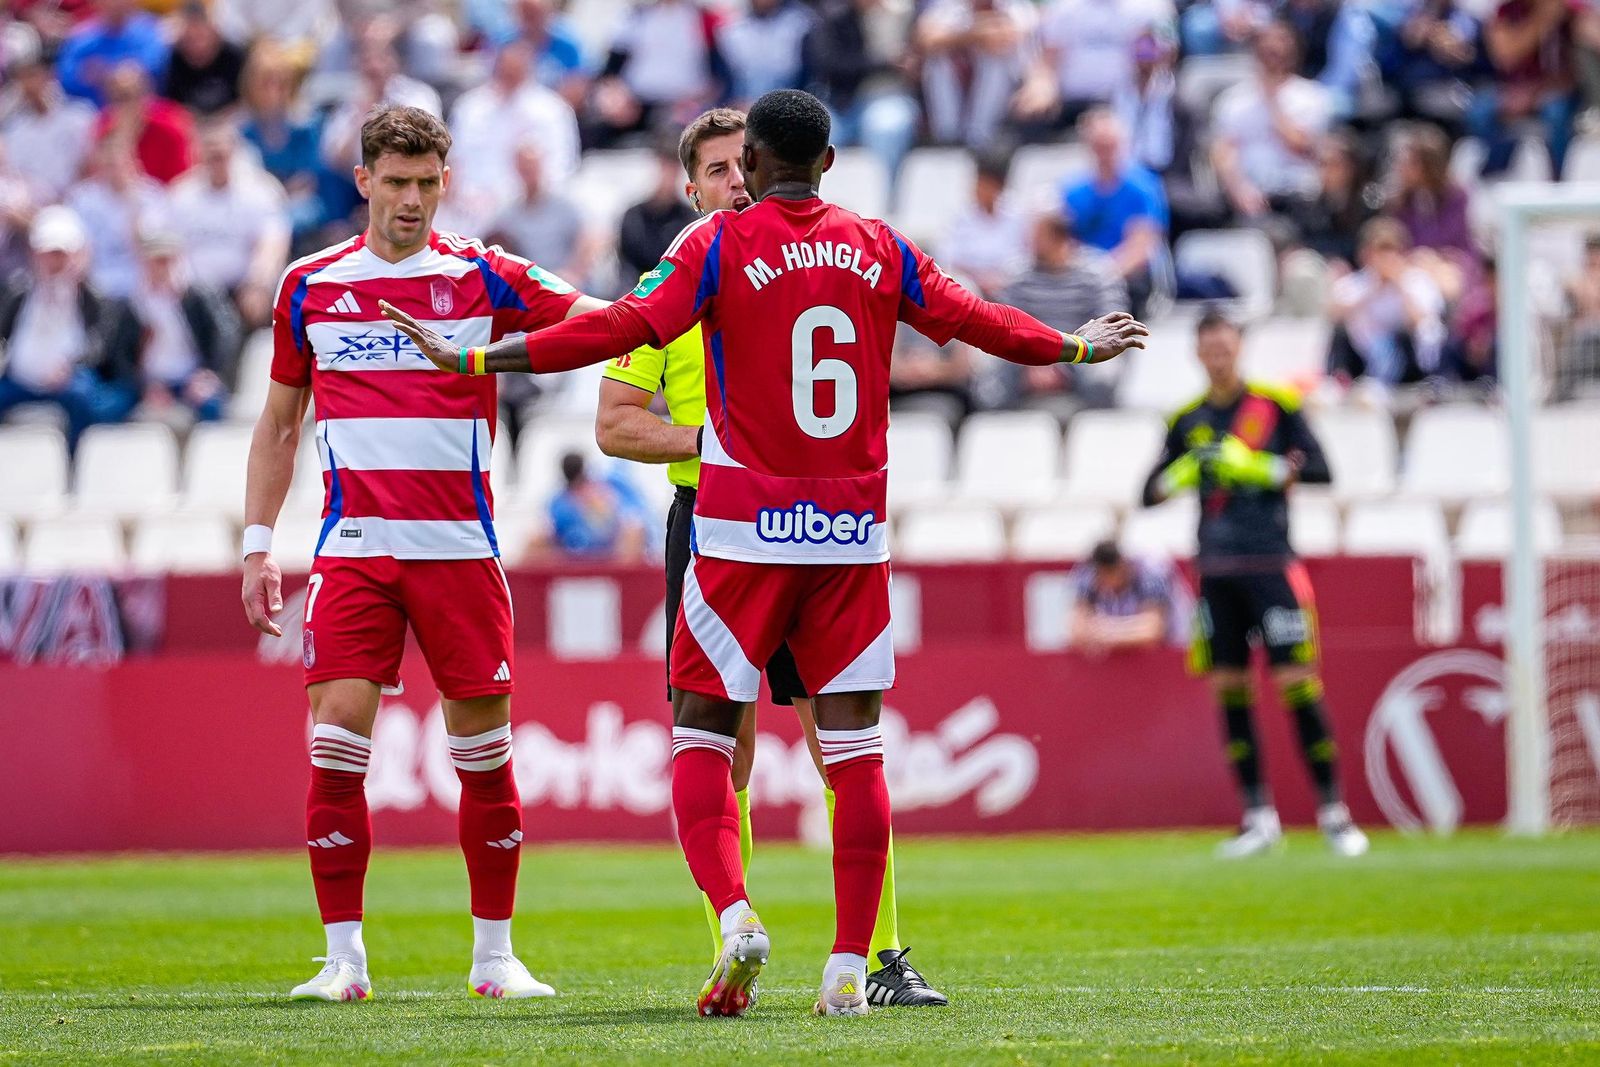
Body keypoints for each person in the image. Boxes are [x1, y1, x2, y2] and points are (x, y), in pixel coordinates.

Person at [381, 87, 1149, 1016]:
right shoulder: (876, 244)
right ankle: (849, 968)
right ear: (829, 162)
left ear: (750, 169)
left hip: (740, 529)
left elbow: (618, 327)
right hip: (850, 533)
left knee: (704, 735)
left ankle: (737, 915)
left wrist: (475, 359)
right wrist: (1070, 345)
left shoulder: (712, 246)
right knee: (856, 751)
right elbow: (975, 319)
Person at [239, 104, 608, 1004]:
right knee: (335, 749)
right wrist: (258, 544)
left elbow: (606, 320)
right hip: (355, 552)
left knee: (485, 758)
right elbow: (280, 425)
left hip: (460, 552)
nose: (412, 200)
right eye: (396, 182)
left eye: (427, 183)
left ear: (447, 181)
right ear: (363, 181)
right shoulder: (311, 284)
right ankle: (343, 961)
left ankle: (494, 957)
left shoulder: (484, 273)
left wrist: (699, 306)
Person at [592, 106, 949, 1009]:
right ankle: (733, 939)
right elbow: (612, 424)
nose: (734, 183)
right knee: (735, 742)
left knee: (839, 745)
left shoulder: (793, 262)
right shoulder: (675, 279)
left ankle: (880, 954)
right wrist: (710, 439)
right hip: (710, 518)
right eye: (715, 171)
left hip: (798, 520)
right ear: (691, 184)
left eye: (739, 167)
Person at [1141, 308, 1367, 860]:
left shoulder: (1275, 405)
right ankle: (1258, 818)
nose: (1218, 356)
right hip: (1215, 570)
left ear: (1239, 348)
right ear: (1198, 354)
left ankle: (1334, 814)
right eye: (1209, 348)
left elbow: (1320, 471)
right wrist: (1182, 473)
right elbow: (1147, 493)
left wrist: (1258, 467)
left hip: (1271, 563)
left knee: (1296, 682)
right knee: (1231, 691)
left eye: (1225, 346)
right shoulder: (1186, 418)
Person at [0, 205, 140, 443]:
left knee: (84, 396)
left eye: (61, 254)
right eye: (49, 253)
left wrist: (71, 366)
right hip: (20, 380)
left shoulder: (93, 298)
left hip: (69, 380)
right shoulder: (18, 293)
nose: (55, 262)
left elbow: (100, 345)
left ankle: (76, 463)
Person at [994, 211, 1128, 415]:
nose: (1030, 242)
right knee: (992, 378)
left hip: (1082, 351)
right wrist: (1035, 360)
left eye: (1038, 236)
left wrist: (1064, 358)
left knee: (1104, 374)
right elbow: (1006, 325)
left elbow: (1111, 324)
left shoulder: (1098, 274)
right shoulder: (1018, 276)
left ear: (1059, 238)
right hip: (1029, 355)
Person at [166, 117, 292, 328]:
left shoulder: (260, 190)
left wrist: (258, 283)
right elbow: (170, 246)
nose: (217, 162)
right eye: (211, 155)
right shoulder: (181, 193)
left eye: (221, 155)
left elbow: (273, 242)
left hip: (243, 289)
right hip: (192, 293)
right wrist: (177, 284)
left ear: (234, 152)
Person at [1210, 19, 1334, 221]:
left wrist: (1271, 101)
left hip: (1296, 196)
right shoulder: (1233, 100)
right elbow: (1223, 152)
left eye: (1281, 42)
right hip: (1246, 195)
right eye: (1267, 43)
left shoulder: (1313, 96)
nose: (1273, 48)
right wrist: (1238, 189)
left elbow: (1302, 145)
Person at [1061, 107, 1168, 316]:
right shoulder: (1072, 191)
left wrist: (1103, 273)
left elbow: (1141, 246)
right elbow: (1066, 240)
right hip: (1082, 275)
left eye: (1111, 146)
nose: (1106, 154)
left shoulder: (1143, 187)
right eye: (1099, 147)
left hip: (1127, 277)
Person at [129, 227, 241, 425]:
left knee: (212, 406)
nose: (163, 267)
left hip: (191, 378)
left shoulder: (198, 295)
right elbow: (123, 354)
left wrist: (208, 373)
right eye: (157, 261)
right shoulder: (135, 301)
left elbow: (226, 333)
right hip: (151, 382)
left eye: (168, 260)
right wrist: (145, 386)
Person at [1326, 216, 1448, 389]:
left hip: (1407, 357)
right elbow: (1334, 314)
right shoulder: (1358, 283)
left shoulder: (1417, 281)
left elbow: (1424, 321)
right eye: (1380, 251)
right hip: (1364, 356)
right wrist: (1373, 289)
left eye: (1391, 250)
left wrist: (1399, 286)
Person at [914, 0, 1037, 149]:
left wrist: (976, 33)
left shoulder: (1015, 7)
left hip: (1014, 91)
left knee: (995, 60)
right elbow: (927, 39)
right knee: (939, 63)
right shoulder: (950, 8)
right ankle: (948, 135)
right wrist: (974, 34)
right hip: (960, 92)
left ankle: (981, 135)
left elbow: (1002, 39)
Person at [3, 53, 98, 205]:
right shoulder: (15, 129)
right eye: (22, 79)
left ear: (50, 76)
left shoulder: (81, 116)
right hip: (33, 206)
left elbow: (90, 164)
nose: (29, 85)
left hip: (81, 201)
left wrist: (67, 198)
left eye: (33, 76)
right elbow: (17, 176)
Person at [935, 149, 1028, 298]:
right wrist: (976, 277)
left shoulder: (1017, 215)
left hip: (1008, 287)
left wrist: (1000, 278)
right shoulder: (960, 216)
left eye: (986, 185)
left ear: (999, 187)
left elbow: (1025, 258)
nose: (979, 190)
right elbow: (946, 258)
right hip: (968, 288)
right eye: (978, 183)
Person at [1067, 539, 1187, 655]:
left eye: (1109, 574)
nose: (1104, 583)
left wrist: (1104, 631)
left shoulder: (1150, 571)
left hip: (1173, 655)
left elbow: (1152, 630)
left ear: (1122, 566)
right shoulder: (1087, 574)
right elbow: (1077, 631)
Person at [616, 135, 700, 282]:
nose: (667, 175)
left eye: (672, 168)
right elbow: (627, 266)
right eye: (663, 166)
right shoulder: (633, 217)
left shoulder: (691, 219)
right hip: (637, 291)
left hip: (678, 289)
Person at [54, 0, 169, 107]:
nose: (117, 3)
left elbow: (154, 66)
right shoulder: (81, 37)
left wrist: (104, 74)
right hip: (90, 114)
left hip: (142, 111)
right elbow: (65, 77)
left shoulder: (150, 31)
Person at [162, 0, 246, 115]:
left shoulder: (234, 56)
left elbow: (244, 101)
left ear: (213, 32)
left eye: (201, 37)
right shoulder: (173, 59)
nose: (197, 45)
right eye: (190, 39)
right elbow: (172, 106)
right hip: (190, 124)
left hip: (230, 122)